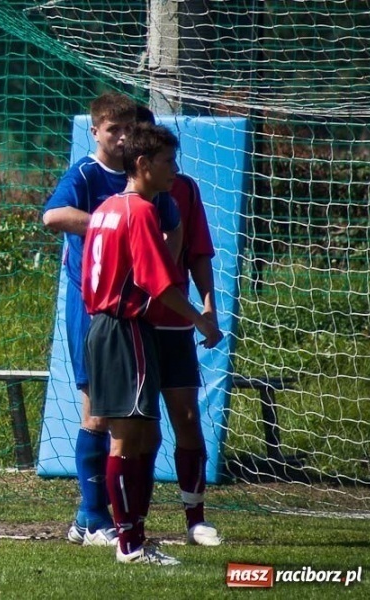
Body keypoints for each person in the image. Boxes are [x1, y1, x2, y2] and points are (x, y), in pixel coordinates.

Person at [42, 93, 182, 546]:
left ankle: (118, 519)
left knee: (139, 422)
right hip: (93, 308)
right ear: (95, 131)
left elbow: (172, 223)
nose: (120, 137)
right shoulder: (87, 174)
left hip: (137, 312)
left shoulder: (140, 180)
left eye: (127, 130)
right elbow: (53, 215)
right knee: (98, 414)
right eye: (112, 130)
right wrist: (108, 223)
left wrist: (164, 260)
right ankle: (90, 517)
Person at [82, 122, 222, 565]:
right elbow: (154, 281)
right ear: (142, 164)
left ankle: (136, 537)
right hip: (126, 330)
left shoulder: (106, 207)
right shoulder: (139, 211)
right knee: (130, 438)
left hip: (102, 327)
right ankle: (129, 545)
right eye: (167, 162)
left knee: (140, 432)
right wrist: (201, 319)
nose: (173, 171)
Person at [139, 107, 221, 546]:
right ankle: (127, 522)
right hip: (131, 326)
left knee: (187, 417)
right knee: (139, 428)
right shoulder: (122, 199)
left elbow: (198, 253)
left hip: (174, 325)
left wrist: (208, 305)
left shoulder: (184, 190)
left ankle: (196, 518)